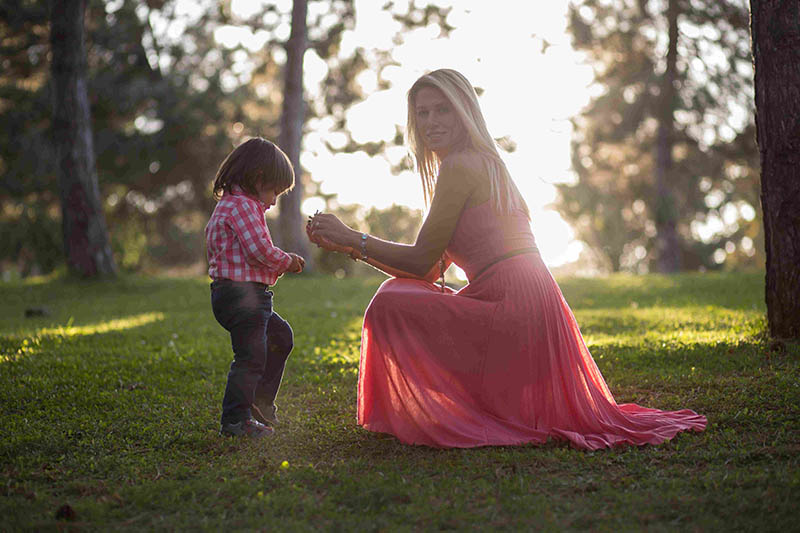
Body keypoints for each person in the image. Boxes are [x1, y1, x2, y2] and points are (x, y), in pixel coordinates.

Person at [307, 69, 706, 449]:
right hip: (526, 303)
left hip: (514, 307)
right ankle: (461, 406)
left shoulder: (462, 166)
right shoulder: (479, 163)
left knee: (391, 301)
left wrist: (352, 236)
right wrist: (350, 247)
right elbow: (429, 270)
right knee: (397, 292)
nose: (431, 121)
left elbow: (420, 262)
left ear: (465, 112)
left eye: (442, 109)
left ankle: (449, 413)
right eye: (422, 112)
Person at [206, 137, 305, 438]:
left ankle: (259, 404)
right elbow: (259, 251)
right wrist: (287, 261)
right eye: (275, 191)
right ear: (259, 178)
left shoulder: (229, 204)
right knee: (250, 357)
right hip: (243, 296)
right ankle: (236, 420)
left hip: (237, 295)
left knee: (280, 337)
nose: (274, 201)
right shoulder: (243, 207)